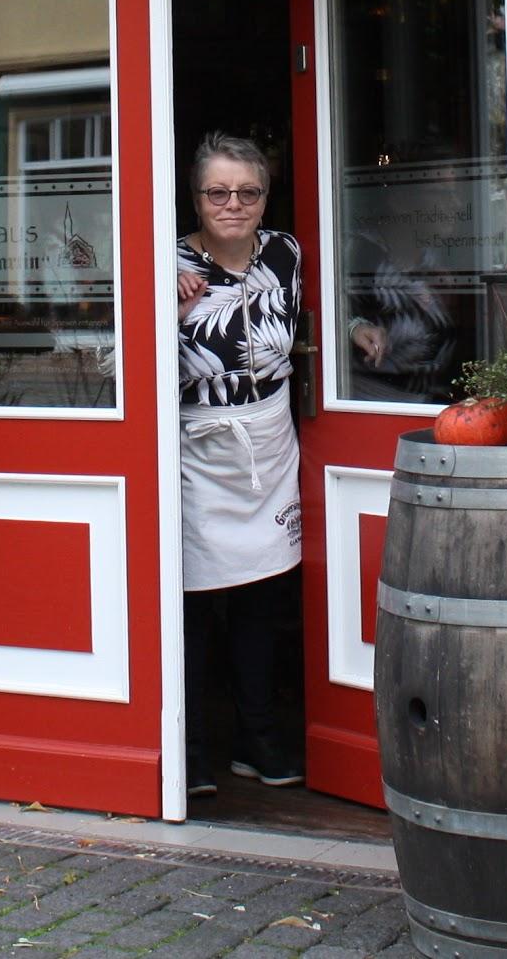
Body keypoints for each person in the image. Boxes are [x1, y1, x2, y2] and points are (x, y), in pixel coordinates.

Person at [176, 133, 304, 797]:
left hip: (271, 438)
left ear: (264, 196)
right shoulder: (165, 262)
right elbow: (122, 369)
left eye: (247, 191)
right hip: (199, 447)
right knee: (194, 600)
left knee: (263, 593)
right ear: (196, 197)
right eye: (216, 192)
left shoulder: (284, 252)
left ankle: (257, 738)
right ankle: (190, 748)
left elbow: (291, 331)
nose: (232, 203)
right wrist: (168, 312)